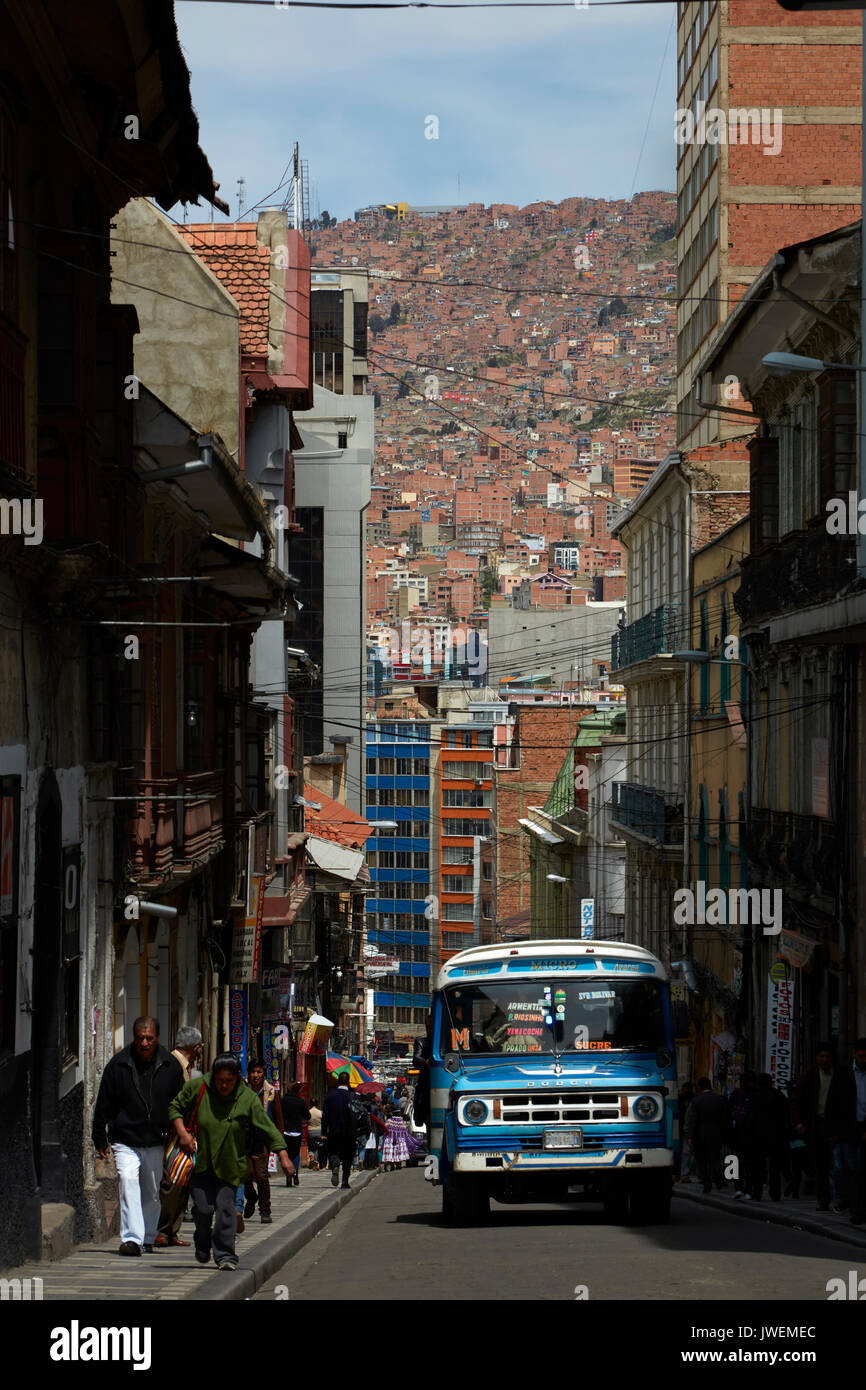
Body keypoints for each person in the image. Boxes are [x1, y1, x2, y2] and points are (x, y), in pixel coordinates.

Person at [168, 1053, 292, 1271]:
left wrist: (283, 1155)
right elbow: (175, 1108)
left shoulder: (247, 1098)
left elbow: (267, 1127)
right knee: (203, 1210)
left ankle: (226, 1255)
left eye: (229, 1081)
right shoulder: (198, 1088)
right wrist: (182, 1134)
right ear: (213, 1077)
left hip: (230, 1164)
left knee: (226, 1210)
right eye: (220, 1080)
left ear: (237, 1078)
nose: (224, 1085)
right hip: (201, 1161)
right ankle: (202, 1241)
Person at [91, 1016, 184, 1257]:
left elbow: (181, 1103)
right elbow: (104, 1104)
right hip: (125, 1139)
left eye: (149, 1038)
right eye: (140, 1038)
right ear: (134, 1038)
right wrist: (99, 1137)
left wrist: (182, 1132)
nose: (144, 1043)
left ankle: (147, 1236)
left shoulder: (170, 1066)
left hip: (156, 1139)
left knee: (152, 1191)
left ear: (157, 1038)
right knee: (128, 1180)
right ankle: (132, 1239)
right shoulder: (118, 1065)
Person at [154, 1025, 203, 1248]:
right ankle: (163, 1230)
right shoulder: (172, 1066)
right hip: (174, 1134)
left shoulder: (183, 1066)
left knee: (182, 1181)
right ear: (196, 1047)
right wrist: (181, 1132)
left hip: (182, 1132)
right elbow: (170, 1103)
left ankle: (172, 1231)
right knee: (173, 1183)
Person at [825, 1038, 866, 1225]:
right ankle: (856, 1209)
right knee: (852, 1168)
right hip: (848, 1128)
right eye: (861, 1056)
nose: (864, 1060)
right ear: (854, 1054)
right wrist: (833, 1131)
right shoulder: (843, 1072)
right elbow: (833, 1101)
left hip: (864, 1125)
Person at [791, 1044, 835, 1210]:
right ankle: (823, 1200)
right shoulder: (809, 1075)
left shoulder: (836, 1075)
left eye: (827, 1057)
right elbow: (796, 1100)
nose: (825, 1060)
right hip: (816, 1124)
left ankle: (839, 1198)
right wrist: (798, 1122)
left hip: (833, 1124)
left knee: (838, 1163)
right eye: (822, 1056)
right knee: (820, 1164)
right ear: (817, 1058)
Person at [243, 1059, 285, 1224]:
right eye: (253, 1072)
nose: (255, 1075)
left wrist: (280, 1142)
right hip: (245, 1139)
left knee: (261, 1176)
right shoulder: (243, 1091)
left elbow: (279, 1118)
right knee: (245, 1174)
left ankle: (265, 1210)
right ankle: (251, 1197)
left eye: (259, 1072)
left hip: (262, 1139)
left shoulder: (271, 1093)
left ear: (263, 1074)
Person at [746, 1073, 790, 1202]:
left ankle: (757, 1192)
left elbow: (750, 1118)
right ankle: (775, 1193)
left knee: (758, 1166)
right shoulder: (779, 1096)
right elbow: (785, 1116)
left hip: (758, 1137)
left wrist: (750, 1134)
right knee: (774, 1167)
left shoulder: (754, 1097)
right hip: (776, 1136)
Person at [686, 1077, 729, 1193]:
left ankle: (707, 1184)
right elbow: (724, 1119)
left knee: (702, 1161)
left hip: (700, 1135)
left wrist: (690, 1136)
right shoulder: (719, 1100)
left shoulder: (696, 1101)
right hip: (716, 1134)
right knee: (715, 1159)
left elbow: (692, 1120)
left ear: (700, 1087)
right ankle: (719, 1180)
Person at [322, 1074, 358, 1188]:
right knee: (348, 1157)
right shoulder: (353, 1096)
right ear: (348, 1082)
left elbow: (325, 1116)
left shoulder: (330, 1096)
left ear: (338, 1081)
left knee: (333, 1152)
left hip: (334, 1131)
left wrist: (324, 1132)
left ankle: (335, 1165)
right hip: (350, 1133)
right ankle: (345, 1181)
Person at [728, 1071, 756, 1200]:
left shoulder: (736, 1094)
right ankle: (748, 1190)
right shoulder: (755, 1094)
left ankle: (738, 1188)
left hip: (737, 1133)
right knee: (750, 1163)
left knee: (737, 1161)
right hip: (751, 1134)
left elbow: (729, 1112)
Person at [281, 1082, 311, 1187]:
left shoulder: (283, 1100)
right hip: (297, 1132)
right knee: (296, 1154)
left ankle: (288, 1177)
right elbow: (308, 1116)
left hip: (285, 1131)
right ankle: (295, 1173)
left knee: (287, 1154)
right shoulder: (300, 1101)